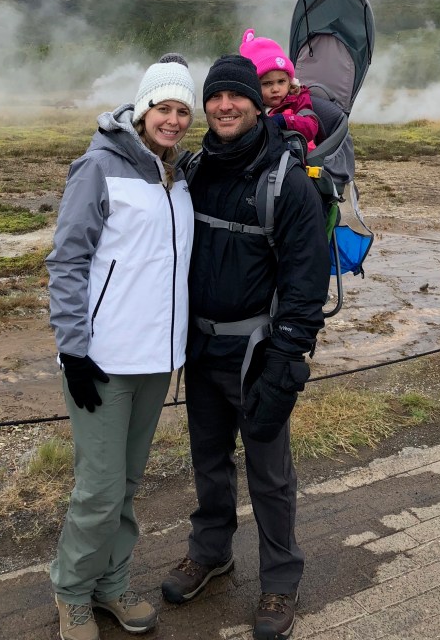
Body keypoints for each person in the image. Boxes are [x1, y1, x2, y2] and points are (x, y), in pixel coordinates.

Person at [161, 54, 331, 640]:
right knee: (208, 461)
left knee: (269, 473)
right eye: (215, 98)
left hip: (259, 355)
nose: (225, 106)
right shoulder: (194, 169)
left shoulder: (287, 181)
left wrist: (287, 362)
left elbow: (307, 284)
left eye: (237, 97)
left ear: (259, 106)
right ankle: (211, 554)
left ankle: (280, 582)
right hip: (201, 349)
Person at [47, 54, 196, 640]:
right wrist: (74, 350)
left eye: (183, 110)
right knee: (100, 488)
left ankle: (111, 585)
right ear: (142, 109)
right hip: (102, 363)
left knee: (128, 483)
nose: (174, 119)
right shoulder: (98, 167)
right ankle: (71, 592)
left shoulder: (177, 175)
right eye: (164, 107)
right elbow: (67, 261)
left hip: (156, 361)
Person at [239, 28, 319, 148]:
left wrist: (284, 120)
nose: (275, 89)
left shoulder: (298, 98)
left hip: (298, 159)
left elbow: (311, 127)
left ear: (289, 81)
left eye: (281, 82)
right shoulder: (249, 105)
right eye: (267, 83)